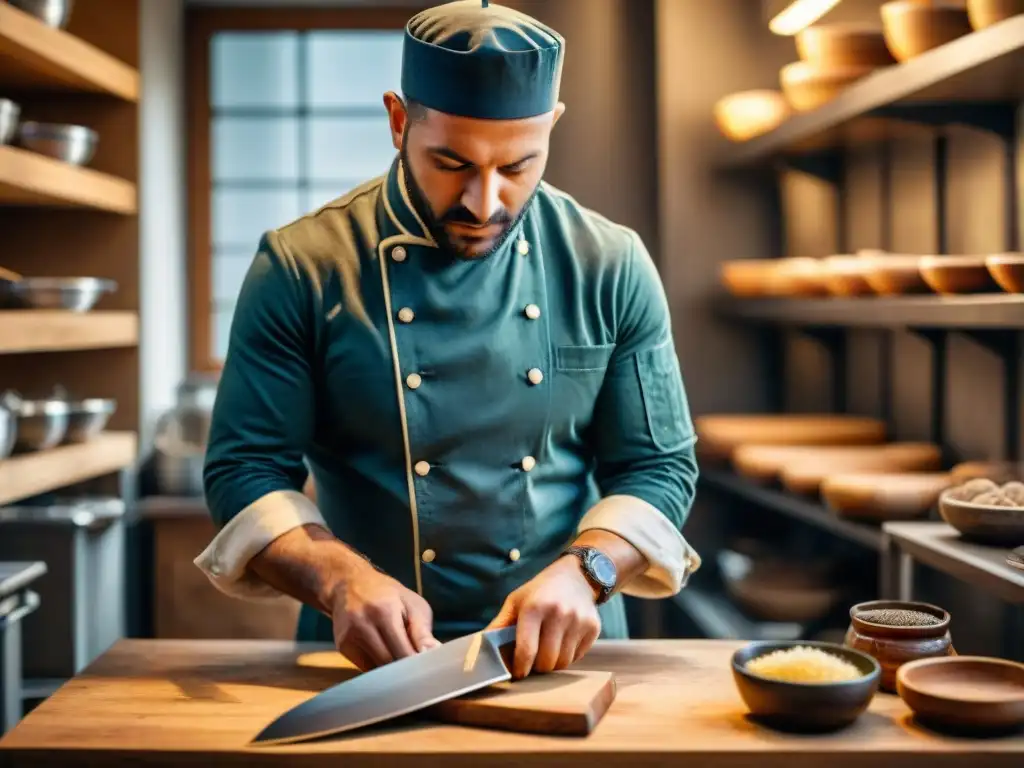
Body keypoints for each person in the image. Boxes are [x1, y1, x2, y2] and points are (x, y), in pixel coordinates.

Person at [195, 0, 701, 680]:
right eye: (451, 162)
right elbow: (245, 467)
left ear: (551, 126)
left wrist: (590, 570)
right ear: (399, 121)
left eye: (518, 166)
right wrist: (339, 578)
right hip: (361, 655)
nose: (484, 201)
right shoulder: (303, 266)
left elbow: (659, 466)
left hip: (571, 652)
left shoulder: (608, 263)